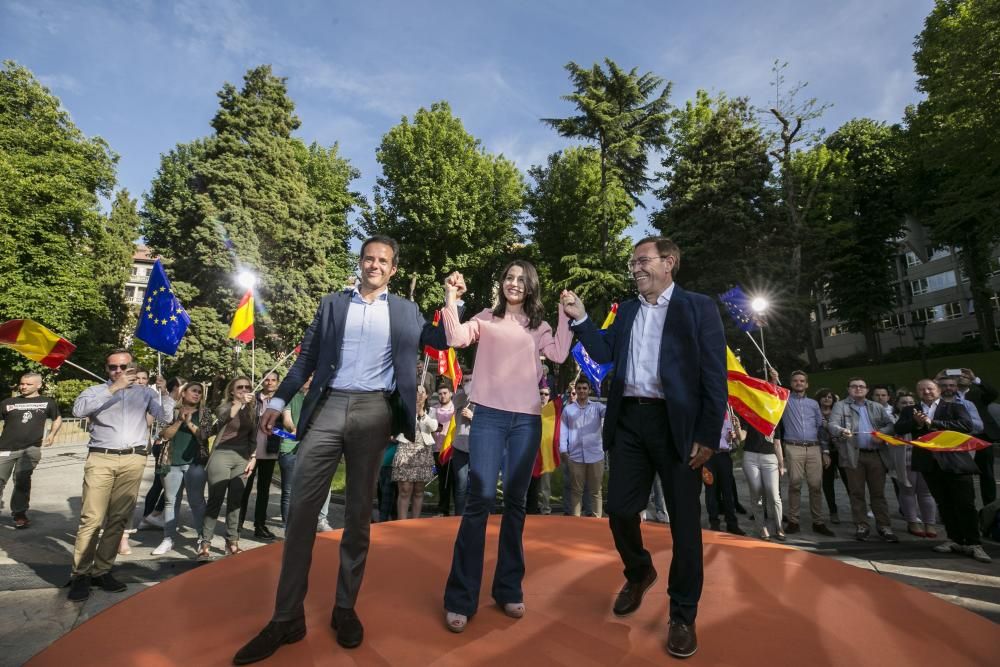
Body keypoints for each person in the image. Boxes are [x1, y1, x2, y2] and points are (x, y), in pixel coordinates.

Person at [234, 235, 453, 663]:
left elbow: (444, 341)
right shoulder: (333, 304)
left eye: (383, 260)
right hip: (330, 405)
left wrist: (450, 298)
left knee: (357, 515)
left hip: (375, 412)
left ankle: (344, 608)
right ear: (360, 263)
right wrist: (278, 402)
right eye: (369, 258)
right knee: (300, 511)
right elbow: (306, 358)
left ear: (393, 269)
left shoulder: (406, 311)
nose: (374, 265)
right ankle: (286, 618)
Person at [563, 236, 727, 659]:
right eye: (632, 263)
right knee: (618, 510)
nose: (634, 268)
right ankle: (639, 572)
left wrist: (708, 435)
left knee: (685, 526)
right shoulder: (628, 310)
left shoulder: (698, 307)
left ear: (668, 262)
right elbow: (602, 351)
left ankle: (682, 615)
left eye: (642, 261)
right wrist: (581, 318)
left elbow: (714, 376)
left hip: (677, 427)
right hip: (630, 422)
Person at [441, 260, 572, 633]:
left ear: (530, 287)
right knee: (479, 501)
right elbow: (455, 338)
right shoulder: (486, 317)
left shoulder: (539, 326)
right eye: (508, 278)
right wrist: (451, 298)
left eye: (521, 279)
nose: (514, 283)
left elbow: (560, 354)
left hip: (526, 422)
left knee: (516, 504)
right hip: (489, 419)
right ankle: (460, 597)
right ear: (501, 284)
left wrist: (565, 315)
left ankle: (508, 588)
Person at [67, 350, 174, 602]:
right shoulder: (95, 390)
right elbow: (79, 410)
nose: (118, 371)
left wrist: (166, 394)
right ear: (107, 369)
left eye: (123, 367)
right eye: (113, 367)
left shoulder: (145, 393)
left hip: (133, 459)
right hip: (101, 457)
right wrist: (113, 388)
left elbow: (166, 417)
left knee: (118, 519)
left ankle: (102, 570)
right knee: (91, 519)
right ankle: (80, 574)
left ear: (132, 368)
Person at [894, 380, 989, 563]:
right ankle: (953, 539)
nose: (926, 391)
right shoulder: (909, 410)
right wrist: (916, 423)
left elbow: (966, 426)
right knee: (943, 503)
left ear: (938, 390)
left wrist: (933, 422)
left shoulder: (954, 407)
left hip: (955, 462)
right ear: (917, 392)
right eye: (922, 389)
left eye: (930, 388)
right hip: (929, 464)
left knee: (965, 503)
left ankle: (973, 543)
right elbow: (899, 429)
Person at [828, 378, 898, 542]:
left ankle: (884, 526)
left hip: (875, 455)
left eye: (861, 387)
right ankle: (862, 525)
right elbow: (832, 424)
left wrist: (881, 433)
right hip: (854, 455)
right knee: (856, 492)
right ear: (848, 389)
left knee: (878, 493)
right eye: (854, 386)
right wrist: (841, 431)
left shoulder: (876, 406)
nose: (858, 389)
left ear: (866, 390)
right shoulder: (841, 406)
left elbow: (891, 425)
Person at [199, 377, 257, 559]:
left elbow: (254, 437)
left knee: (236, 501)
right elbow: (226, 417)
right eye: (240, 387)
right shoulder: (225, 406)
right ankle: (205, 543)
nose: (244, 390)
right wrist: (239, 403)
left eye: (247, 387)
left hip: (242, 457)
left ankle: (232, 542)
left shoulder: (252, 410)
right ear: (232, 391)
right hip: (221, 454)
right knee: (215, 499)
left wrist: (253, 458)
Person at [151, 382, 211, 555]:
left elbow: (204, 436)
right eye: (193, 391)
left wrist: (190, 423)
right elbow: (164, 436)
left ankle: (202, 539)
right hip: (171, 462)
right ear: (183, 393)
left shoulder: (204, 413)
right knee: (171, 501)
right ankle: (168, 539)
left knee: (197, 502)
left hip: (195, 463)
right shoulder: (171, 412)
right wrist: (179, 421)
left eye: (199, 392)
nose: (197, 394)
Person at [0, 373, 61, 529]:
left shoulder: (47, 402)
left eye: (28, 384)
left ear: (39, 385)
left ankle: (19, 514)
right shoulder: (8, 402)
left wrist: (52, 434)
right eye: (22, 384)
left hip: (31, 449)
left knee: (21, 482)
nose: (23, 387)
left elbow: (57, 418)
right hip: (5, 448)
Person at [778, 371, 835, 537]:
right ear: (791, 383)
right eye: (795, 380)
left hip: (814, 448)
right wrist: (775, 378)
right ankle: (794, 521)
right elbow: (773, 391)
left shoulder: (813, 404)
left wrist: (825, 451)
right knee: (795, 484)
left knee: (816, 486)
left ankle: (818, 522)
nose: (799, 383)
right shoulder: (785, 400)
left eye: (802, 381)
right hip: (793, 447)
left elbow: (820, 428)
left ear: (807, 384)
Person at [240, 371, 281, 540]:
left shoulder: (280, 402)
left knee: (264, 491)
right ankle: (237, 524)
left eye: (273, 380)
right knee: (243, 489)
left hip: (270, 451)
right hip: (250, 452)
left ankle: (260, 525)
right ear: (262, 382)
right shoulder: (252, 399)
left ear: (278, 383)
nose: (270, 383)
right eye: (267, 380)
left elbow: (286, 421)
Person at [891, 392, 938, 538]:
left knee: (926, 492)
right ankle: (912, 521)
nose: (908, 405)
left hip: (924, 457)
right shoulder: (896, 418)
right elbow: (898, 429)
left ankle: (930, 523)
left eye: (911, 402)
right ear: (897, 405)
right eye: (904, 403)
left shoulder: (927, 413)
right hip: (906, 458)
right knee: (908, 490)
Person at [559, 377, 607, 518]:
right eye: (579, 388)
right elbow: (563, 430)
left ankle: (597, 522)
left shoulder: (597, 407)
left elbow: (611, 412)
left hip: (595, 456)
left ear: (589, 390)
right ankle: (575, 524)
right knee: (576, 491)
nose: (581, 391)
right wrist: (563, 450)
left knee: (596, 491)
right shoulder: (568, 410)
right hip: (575, 456)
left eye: (584, 388)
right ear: (576, 390)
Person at [392, 385, 438, 519]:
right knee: (405, 490)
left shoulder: (432, 410)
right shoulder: (405, 408)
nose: (419, 395)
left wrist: (422, 413)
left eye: (422, 392)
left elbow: (434, 426)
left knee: (419, 491)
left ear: (427, 395)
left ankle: (415, 522)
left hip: (423, 452)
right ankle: (402, 524)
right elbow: (398, 424)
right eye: (416, 392)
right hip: (406, 450)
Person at [704, 410, 743, 535]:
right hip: (708, 456)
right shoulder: (705, 410)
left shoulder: (729, 412)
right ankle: (714, 522)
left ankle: (732, 523)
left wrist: (733, 435)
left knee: (728, 491)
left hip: (724, 456)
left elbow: (736, 439)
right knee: (711, 490)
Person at [816, 389, 847, 525]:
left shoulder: (839, 413)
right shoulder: (815, 413)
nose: (827, 399)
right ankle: (833, 511)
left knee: (849, 480)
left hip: (840, 450)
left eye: (829, 397)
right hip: (823, 451)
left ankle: (859, 510)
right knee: (828, 483)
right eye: (824, 397)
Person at [431, 384, 457, 516]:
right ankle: (443, 509)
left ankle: (459, 510)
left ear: (451, 394)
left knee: (458, 482)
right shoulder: (433, 409)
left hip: (454, 449)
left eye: (445, 393)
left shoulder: (456, 408)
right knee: (443, 481)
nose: (443, 396)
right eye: (440, 393)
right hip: (438, 450)